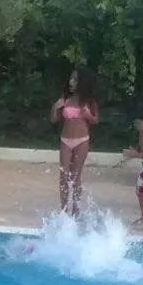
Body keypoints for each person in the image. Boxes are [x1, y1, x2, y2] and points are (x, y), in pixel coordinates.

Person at [50, 67, 100, 216]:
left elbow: (95, 120)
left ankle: (76, 209)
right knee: (64, 176)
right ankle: (64, 210)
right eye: (71, 79)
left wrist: (88, 115)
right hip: (65, 140)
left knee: (76, 176)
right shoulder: (65, 99)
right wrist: (55, 107)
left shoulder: (89, 101)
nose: (71, 82)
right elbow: (54, 119)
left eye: (75, 80)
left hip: (81, 140)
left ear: (81, 83)